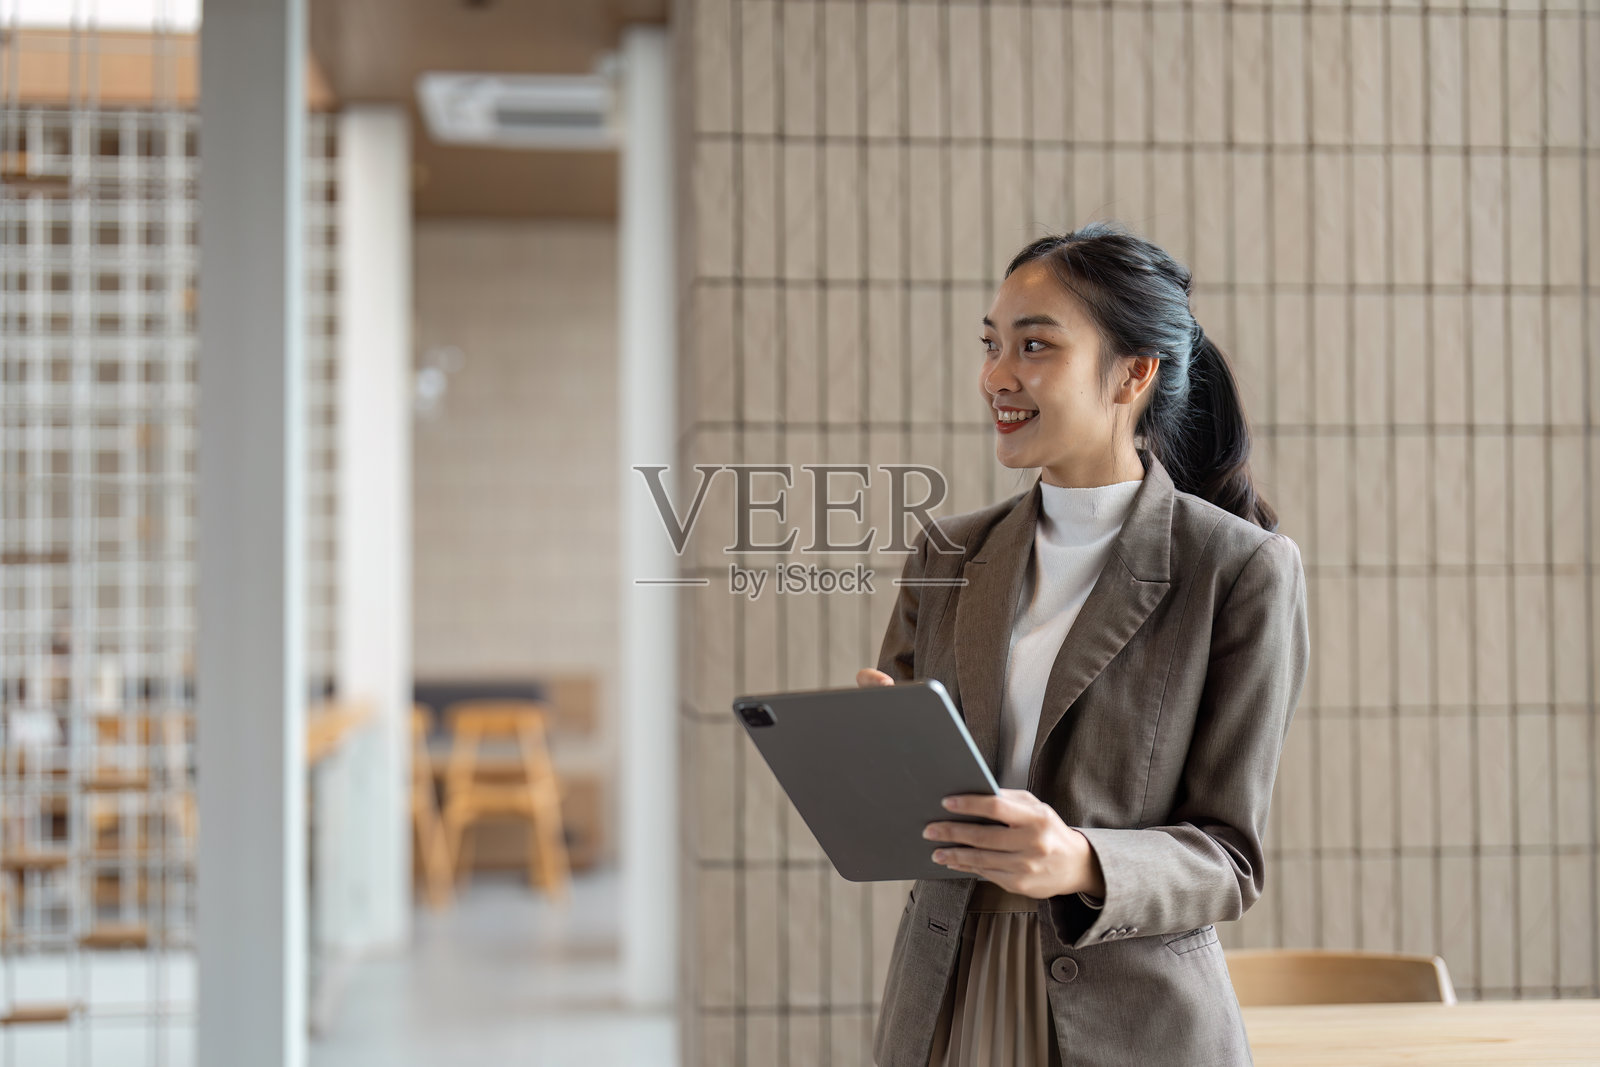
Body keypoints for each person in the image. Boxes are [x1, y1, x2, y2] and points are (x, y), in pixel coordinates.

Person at [861, 222, 1311, 1067]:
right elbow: (914, 820)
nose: (998, 376)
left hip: (1134, 1016)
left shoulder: (1238, 569)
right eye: (993, 344)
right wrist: (878, 761)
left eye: (1035, 345)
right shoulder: (946, 556)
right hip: (946, 994)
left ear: (1134, 373)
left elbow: (1229, 859)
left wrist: (1077, 858)